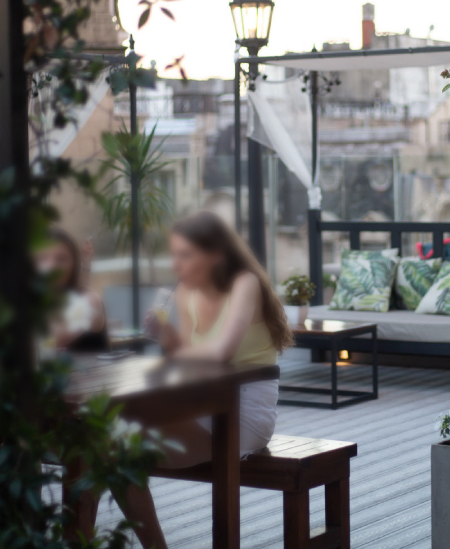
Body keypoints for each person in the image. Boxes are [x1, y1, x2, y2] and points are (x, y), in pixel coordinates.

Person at [73, 211, 293, 549]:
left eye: (186, 254)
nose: (178, 263)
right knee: (94, 444)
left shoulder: (244, 283)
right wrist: (166, 336)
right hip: (199, 398)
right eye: (176, 253)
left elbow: (221, 351)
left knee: (117, 452)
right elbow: (185, 356)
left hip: (242, 409)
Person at [35, 227, 109, 352]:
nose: (51, 267)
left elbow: (46, 341)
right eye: (42, 258)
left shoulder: (90, 301)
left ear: (73, 264)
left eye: (61, 259)